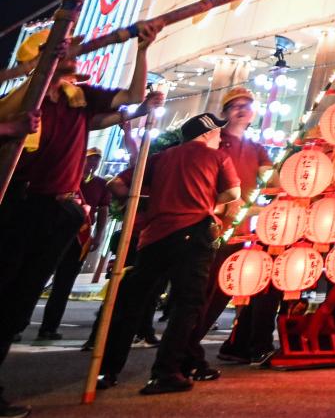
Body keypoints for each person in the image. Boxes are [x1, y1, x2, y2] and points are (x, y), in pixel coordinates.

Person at [0, 23, 156, 418]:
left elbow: (133, 98)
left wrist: (142, 50)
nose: (72, 57)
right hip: (18, 205)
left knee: (18, 303)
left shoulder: (80, 101)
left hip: (59, 210)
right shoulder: (20, 100)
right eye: (62, 52)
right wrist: (12, 128)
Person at [98, 113, 240, 394]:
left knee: (131, 304)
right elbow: (232, 193)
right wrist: (209, 198)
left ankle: (107, 371)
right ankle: (165, 372)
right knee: (187, 304)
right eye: (218, 132)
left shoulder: (161, 157)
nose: (221, 137)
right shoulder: (217, 158)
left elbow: (116, 183)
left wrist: (149, 200)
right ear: (206, 134)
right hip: (193, 232)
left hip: (153, 237)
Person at [189, 90, 280, 365]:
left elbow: (273, 181)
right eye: (235, 106)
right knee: (199, 293)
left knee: (222, 291)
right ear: (225, 112)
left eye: (247, 106)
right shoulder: (214, 141)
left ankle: (190, 349)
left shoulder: (256, 149)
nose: (241, 110)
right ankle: (184, 350)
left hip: (239, 230)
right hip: (210, 226)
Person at [34, 148, 110, 341]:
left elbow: (103, 211)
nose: (93, 163)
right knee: (37, 277)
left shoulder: (101, 184)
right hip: (56, 233)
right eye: (90, 159)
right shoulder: (69, 178)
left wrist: (99, 235)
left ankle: (49, 327)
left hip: (80, 239)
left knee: (64, 284)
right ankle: (17, 323)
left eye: (97, 160)